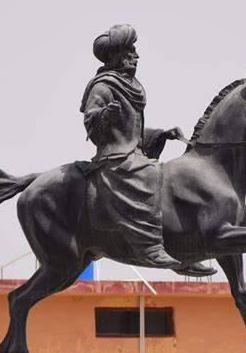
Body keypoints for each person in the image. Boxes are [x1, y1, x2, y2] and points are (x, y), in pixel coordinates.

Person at [81, 24, 214, 276]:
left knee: (167, 175)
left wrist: (160, 134)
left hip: (133, 154)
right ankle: (150, 247)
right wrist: (104, 115)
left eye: (135, 51)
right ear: (116, 56)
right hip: (115, 158)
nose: (136, 56)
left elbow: (132, 131)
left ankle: (180, 251)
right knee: (152, 175)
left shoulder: (132, 86)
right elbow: (91, 124)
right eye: (130, 51)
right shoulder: (103, 86)